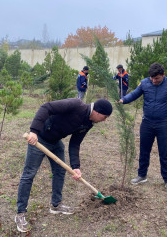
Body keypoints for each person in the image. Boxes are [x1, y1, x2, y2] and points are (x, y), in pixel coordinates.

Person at [15, 98, 113, 233]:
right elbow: (46, 107)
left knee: (60, 172)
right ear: (97, 112)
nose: (105, 120)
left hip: (55, 142)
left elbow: (75, 143)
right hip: (40, 139)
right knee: (29, 175)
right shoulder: (76, 105)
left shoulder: (88, 122)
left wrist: (75, 166)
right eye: (105, 116)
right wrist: (34, 131)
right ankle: (20, 214)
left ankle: (56, 205)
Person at [119, 63, 167, 194]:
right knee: (144, 150)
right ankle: (142, 175)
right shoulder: (144, 83)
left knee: (165, 153)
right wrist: (123, 100)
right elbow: (135, 94)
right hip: (147, 123)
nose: (154, 81)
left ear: (163, 75)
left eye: (157, 79)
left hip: (164, 124)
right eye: (152, 79)